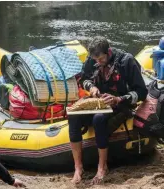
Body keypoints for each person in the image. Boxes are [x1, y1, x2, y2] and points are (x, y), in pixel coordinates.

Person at [68, 36, 148, 184]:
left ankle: (102, 167)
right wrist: (91, 87)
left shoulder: (126, 61)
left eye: (101, 59)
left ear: (108, 51)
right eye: (95, 59)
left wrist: (119, 99)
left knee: (99, 119)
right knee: (73, 116)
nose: (98, 62)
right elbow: (84, 79)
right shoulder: (92, 60)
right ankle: (78, 168)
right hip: (99, 101)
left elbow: (142, 92)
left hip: (120, 104)